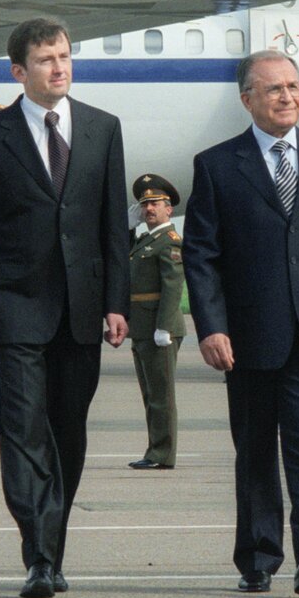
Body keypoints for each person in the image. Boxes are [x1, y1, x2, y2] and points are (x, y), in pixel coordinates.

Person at [0, 17, 130, 598]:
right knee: (23, 432)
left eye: (66, 56)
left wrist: (117, 303)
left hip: (81, 306)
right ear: (20, 72)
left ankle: (52, 543)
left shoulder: (102, 129)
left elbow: (110, 227)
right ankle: (39, 557)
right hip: (13, 304)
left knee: (67, 434)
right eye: (46, 60)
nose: (60, 67)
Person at [181, 50, 299, 597]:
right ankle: (258, 557)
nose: (288, 97)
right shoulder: (216, 165)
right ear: (247, 100)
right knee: (256, 446)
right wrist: (211, 327)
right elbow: (202, 255)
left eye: (293, 86)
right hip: (247, 336)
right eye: (274, 89)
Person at [126, 173, 185, 470]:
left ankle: (162, 454)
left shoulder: (169, 241)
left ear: (169, 209)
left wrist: (163, 327)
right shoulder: (146, 240)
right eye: (145, 204)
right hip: (142, 327)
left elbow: (172, 287)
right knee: (150, 393)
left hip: (160, 328)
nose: (149, 209)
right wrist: (126, 229)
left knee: (161, 395)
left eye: (156, 203)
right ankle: (155, 449)